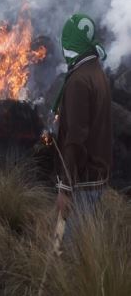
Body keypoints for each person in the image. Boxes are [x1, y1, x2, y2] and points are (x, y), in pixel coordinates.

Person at [54, 14, 112, 224]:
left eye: (66, 39)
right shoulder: (96, 71)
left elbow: (76, 138)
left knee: (68, 248)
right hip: (97, 176)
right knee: (84, 243)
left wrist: (65, 189)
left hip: (82, 182)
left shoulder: (79, 80)